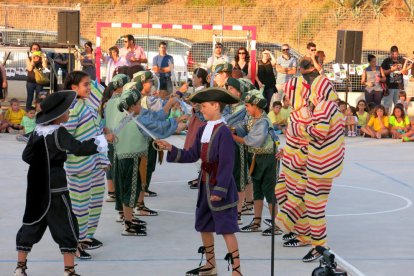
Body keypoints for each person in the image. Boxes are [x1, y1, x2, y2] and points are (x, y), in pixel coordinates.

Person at [14, 91, 113, 276]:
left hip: (36, 185)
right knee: (66, 225)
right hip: (56, 187)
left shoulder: (36, 132)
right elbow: (79, 148)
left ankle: (20, 268)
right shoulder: (59, 132)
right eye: (66, 110)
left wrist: (42, 164)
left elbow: (26, 156)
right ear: (58, 115)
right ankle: (69, 271)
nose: (69, 113)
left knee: (31, 223)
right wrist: (102, 140)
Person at [157, 87, 242, 276]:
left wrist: (220, 190)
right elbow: (191, 155)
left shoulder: (224, 132)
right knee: (204, 224)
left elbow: (227, 165)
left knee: (227, 228)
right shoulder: (203, 129)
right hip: (205, 186)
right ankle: (211, 265)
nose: (201, 110)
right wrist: (170, 147)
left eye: (204, 106)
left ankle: (237, 270)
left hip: (220, 188)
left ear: (216, 106)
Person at [282, 76, 345, 262]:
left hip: (321, 165)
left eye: (313, 91)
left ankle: (319, 246)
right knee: (312, 203)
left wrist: (299, 129)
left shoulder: (323, 107)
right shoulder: (332, 107)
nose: (311, 96)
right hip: (326, 165)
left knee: (313, 205)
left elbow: (319, 133)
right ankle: (315, 242)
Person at [63, 71, 110, 259]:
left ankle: (86, 237)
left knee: (95, 202)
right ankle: (75, 243)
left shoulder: (86, 105)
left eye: (89, 84)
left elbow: (94, 132)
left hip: (95, 164)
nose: (90, 88)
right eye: (86, 85)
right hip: (80, 166)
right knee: (80, 207)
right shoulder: (72, 109)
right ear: (74, 88)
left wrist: (103, 158)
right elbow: (66, 139)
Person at [232, 89, 280, 236]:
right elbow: (240, 126)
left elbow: (253, 141)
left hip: (269, 158)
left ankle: (276, 224)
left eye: (247, 106)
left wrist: (233, 136)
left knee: (269, 191)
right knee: (258, 190)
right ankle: (256, 221)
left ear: (256, 106)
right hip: (257, 158)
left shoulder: (263, 121)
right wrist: (230, 128)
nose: (246, 108)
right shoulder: (251, 118)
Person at [275, 76, 313, 248]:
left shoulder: (305, 115)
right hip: (290, 163)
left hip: (299, 167)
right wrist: (286, 151)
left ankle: (304, 234)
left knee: (298, 199)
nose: (287, 98)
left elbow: (311, 142)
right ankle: (298, 230)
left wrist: (296, 157)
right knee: (282, 192)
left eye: (289, 95)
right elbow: (294, 140)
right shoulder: (296, 113)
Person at [224, 77, 255, 226]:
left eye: (231, 89)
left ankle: (237, 214)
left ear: (239, 91)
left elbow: (248, 124)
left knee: (239, 180)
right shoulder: (227, 107)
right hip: (225, 147)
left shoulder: (245, 108)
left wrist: (234, 128)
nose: (228, 91)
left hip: (239, 147)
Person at [185, 68, 208, 189]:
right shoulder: (197, 91)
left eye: (194, 77)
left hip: (200, 122)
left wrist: (193, 107)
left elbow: (200, 108)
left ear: (200, 79)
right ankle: (201, 174)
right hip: (196, 120)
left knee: (200, 147)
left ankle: (203, 176)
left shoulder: (203, 92)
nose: (192, 79)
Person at [381, 45, 405, 113]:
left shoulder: (401, 60)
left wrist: (407, 68)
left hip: (399, 87)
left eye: (396, 54)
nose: (394, 55)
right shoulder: (387, 61)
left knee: (399, 107)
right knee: (387, 106)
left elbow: (404, 72)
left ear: (398, 53)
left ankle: (397, 122)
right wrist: (391, 70)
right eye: (393, 54)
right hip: (389, 87)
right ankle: (386, 121)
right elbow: (382, 72)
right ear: (390, 53)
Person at [25, 43, 48, 110]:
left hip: (40, 81)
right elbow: (29, 69)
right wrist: (32, 58)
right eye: (33, 49)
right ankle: (28, 111)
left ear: (39, 50)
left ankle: (37, 111)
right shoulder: (28, 58)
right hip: (30, 81)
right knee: (30, 97)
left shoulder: (42, 58)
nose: (35, 50)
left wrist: (43, 57)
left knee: (38, 98)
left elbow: (45, 67)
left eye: (37, 49)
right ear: (31, 50)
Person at [256, 48, 277, 113]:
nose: (266, 55)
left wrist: (270, 53)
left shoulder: (270, 62)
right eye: (265, 53)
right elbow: (255, 74)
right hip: (261, 85)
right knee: (262, 101)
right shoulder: (258, 62)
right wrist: (259, 82)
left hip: (270, 85)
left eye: (267, 53)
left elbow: (275, 61)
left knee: (268, 102)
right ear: (262, 54)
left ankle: (266, 115)